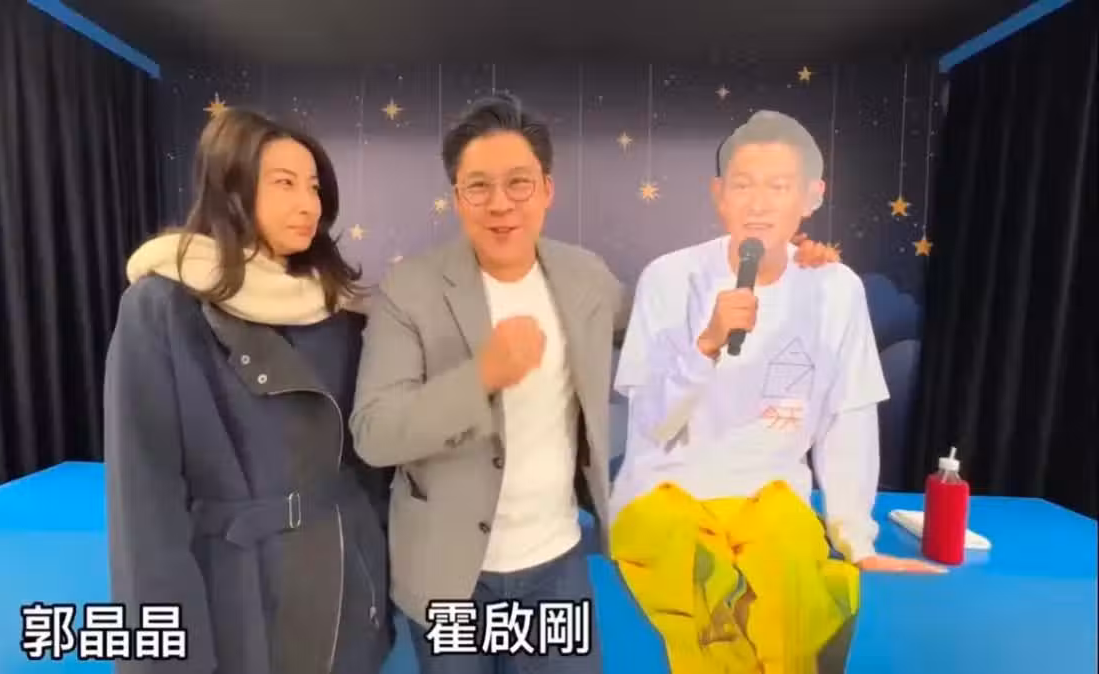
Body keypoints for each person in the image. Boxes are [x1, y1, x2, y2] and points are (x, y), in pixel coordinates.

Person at [609, 110, 944, 674]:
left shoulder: (835, 288)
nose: (758, 204)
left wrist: (856, 540)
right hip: (665, 494)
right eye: (743, 185)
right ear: (719, 195)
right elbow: (653, 424)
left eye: (778, 187)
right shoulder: (669, 278)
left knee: (796, 610)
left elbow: (848, 420)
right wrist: (707, 346)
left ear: (811, 197)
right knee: (703, 601)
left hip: (770, 499)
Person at [104, 108, 393, 674]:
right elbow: (144, 505)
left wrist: (376, 571)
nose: (308, 204)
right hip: (238, 592)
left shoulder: (338, 305)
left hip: (346, 578)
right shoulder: (163, 305)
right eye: (284, 183)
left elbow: (369, 465)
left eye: (314, 187)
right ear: (231, 187)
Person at [348, 94, 618, 674]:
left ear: (547, 189)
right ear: (456, 197)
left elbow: (659, 329)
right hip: (448, 573)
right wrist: (482, 376)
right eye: (478, 187)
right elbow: (374, 432)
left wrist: (786, 268)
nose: (500, 204)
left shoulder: (587, 277)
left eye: (519, 182)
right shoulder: (409, 290)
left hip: (556, 564)